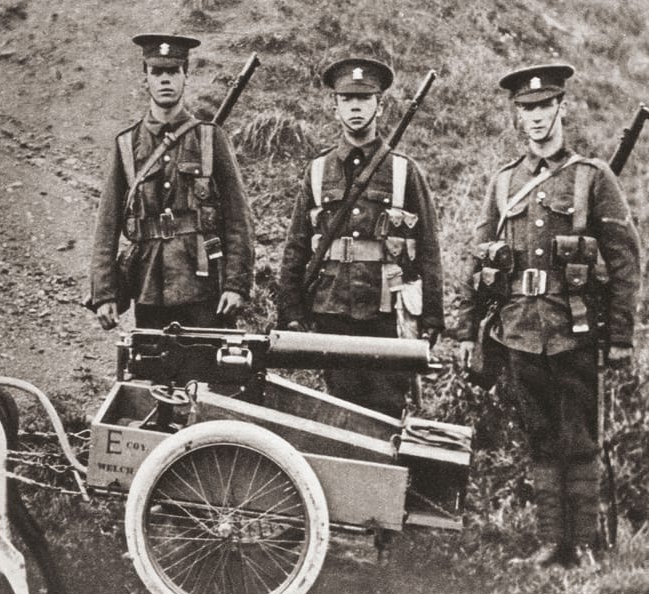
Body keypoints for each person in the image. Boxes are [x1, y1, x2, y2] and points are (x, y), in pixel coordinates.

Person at [451, 64, 641, 567]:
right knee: (538, 437)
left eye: (543, 107)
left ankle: (583, 544)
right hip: (518, 330)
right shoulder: (504, 183)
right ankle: (549, 541)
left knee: (579, 438)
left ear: (562, 107)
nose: (535, 118)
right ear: (517, 115)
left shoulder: (590, 178)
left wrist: (620, 335)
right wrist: (466, 329)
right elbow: (479, 255)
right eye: (526, 109)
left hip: (572, 328)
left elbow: (624, 257)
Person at [275, 58, 444, 417]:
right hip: (331, 308)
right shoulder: (318, 170)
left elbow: (429, 247)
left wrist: (432, 317)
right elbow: (297, 244)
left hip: (386, 312)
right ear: (334, 106)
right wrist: (290, 308)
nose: (355, 107)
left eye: (364, 99)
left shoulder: (403, 171)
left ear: (379, 106)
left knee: (386, 412)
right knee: (339, 411)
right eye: (346, 99)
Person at [89, 33, 255, 330]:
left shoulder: (209, 138)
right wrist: (104, 294)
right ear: (146, 80)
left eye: (173, 72)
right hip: (149, 287)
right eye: (157, 72)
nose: (165, 80)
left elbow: (238, 219)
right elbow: (107, 225)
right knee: (150, 373)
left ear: (185, 77)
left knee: (206, 374)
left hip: (204, 289)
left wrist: (236, 285)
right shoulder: (128, 145)